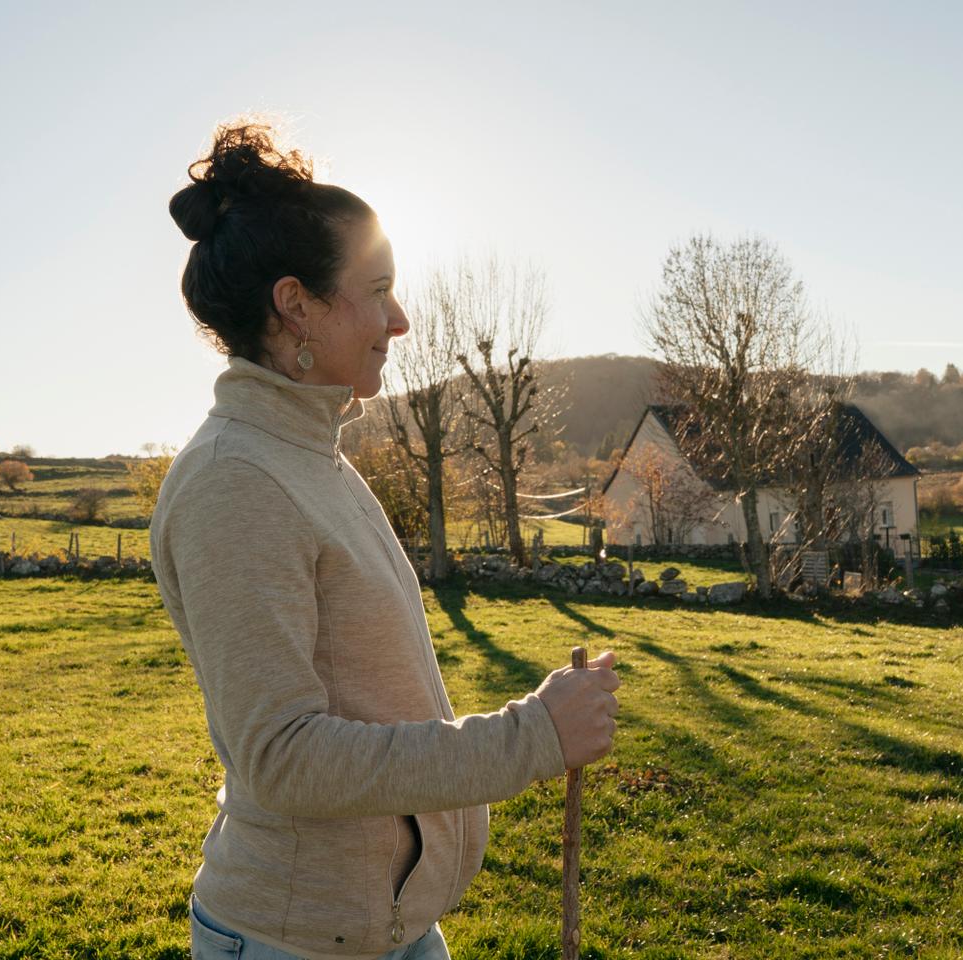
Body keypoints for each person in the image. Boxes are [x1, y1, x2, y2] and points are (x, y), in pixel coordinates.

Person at [150, 120, 621, 960]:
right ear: (296, 305)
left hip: (382, 927)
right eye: (377, 290)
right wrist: (532, 737)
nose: (399, 320)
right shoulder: (236, 480)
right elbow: (283, 758)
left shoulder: (309, 456)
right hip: (295, 940)